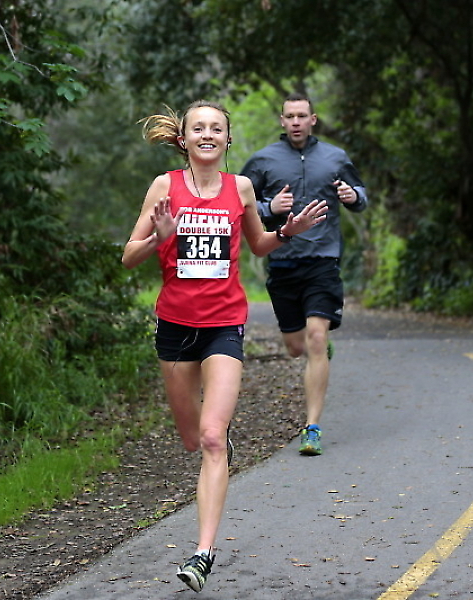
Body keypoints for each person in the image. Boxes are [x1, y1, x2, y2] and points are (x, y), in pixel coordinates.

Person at [121, 100, 327, 593]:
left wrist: (287, 232)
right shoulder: (164, 186)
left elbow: (258, 244)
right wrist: (159, 238)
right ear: (184, 139)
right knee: (192, 439)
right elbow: (129, 256)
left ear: (227, 139)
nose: (208, 134)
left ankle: (202, 554)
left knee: (213, 438)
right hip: (175, 327)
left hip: (224, 325)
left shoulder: (241, 188)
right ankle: (213, 440)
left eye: (217, 128)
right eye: (199, 128)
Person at [240, 92, 368, 457]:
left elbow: (361, 195)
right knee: (297, 347)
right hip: (283, 262)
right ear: (282, 121)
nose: (296, 122)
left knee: (314, 337)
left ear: (313, 120)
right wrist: (270, 207)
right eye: (290, 116)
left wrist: (352, 196)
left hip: (323, 261)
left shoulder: (335, 157)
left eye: (302, 115)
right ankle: (318, 346)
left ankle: (312, 428)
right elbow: (239, 203)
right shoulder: (263, 160)